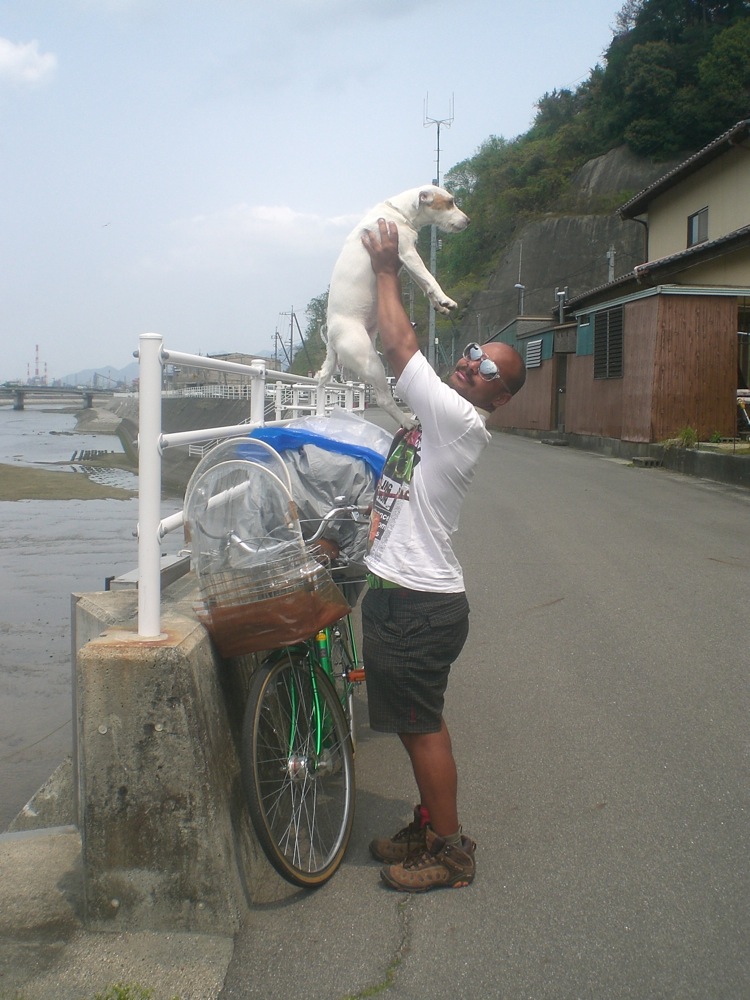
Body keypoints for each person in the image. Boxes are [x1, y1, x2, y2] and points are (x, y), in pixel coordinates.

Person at [360, 217, 526, 892]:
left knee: (422, 728)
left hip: (418, 604)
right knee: (413, 725)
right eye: (472, 353)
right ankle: (430, 825)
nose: (470, 364)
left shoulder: (458, 421)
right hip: (406, 596)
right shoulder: (435, 420)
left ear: (499, 397)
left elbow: (400, 344)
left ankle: (452, 853)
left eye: (487, 369)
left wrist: (387, 268)